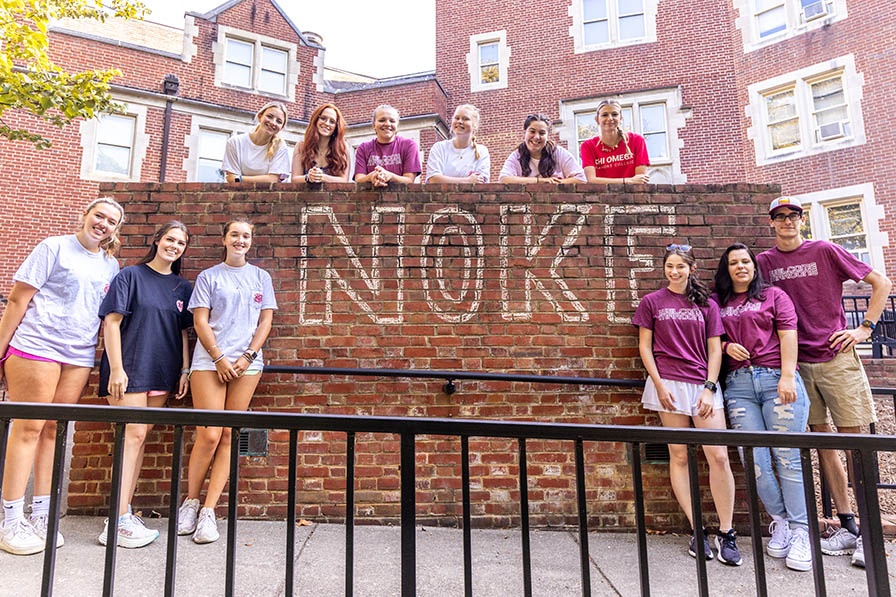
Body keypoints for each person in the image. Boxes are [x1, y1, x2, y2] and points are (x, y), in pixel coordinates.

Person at [757, 196, 893, 568]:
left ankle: (870, 533)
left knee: (855, 443)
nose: (787, 221)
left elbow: (881, 282)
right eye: (779, 216)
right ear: (771, 223)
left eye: (793, 215)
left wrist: (864, 328)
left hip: (836, 358)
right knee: (823, 444)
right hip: (797, 366)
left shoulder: (825, 250)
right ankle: (848, 525)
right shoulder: (764, 263)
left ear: (802, 219)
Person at [0, 197, 124, 555]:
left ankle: (41, 514)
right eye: (98, 215)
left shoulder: (110, 265)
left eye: (111, 221)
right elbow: (17, 300)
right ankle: (10, 519)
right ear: (84, 215)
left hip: (78, 355)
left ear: (115, 229)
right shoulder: (53, 247)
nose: (102, 223)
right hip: (36, 346)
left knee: (53, 430)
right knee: (29, 428)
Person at [632, 244, 741, 566]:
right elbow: (644, 346)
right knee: (679, 455)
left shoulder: (706, 304)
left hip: (702, 387)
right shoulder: (651, 302)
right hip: (667, 386)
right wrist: (659, 384)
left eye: (680, 266)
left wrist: (709, 388)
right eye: (669, 266)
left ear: (691, 269)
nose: (674, 271)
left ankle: (727, 532)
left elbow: (716, 350)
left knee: (718, 456)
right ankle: (697, 530)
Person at [712, 243, 812, 571]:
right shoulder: (718, 302)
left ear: (754, 266)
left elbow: (788, 336)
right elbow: (709, 339)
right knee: (754, 461)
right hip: (739, 387)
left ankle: (801, 532)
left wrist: (787, 376)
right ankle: (780, 522)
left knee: (787, 458)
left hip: (775, 382)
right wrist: (727, 346)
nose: (740, 267)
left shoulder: (774, 296)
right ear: (726, 270)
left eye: (745, 261)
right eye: (734, 263)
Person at [177, 220, 277, 544]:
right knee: (208, 434)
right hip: (210, 362)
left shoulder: (261, 277)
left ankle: (209, 511)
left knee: (230, 436)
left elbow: (266, 321)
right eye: (234, 234)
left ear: (251, 241)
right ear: (224, 239)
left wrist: (248, 356)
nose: (240, 240)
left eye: (246, 235)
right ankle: (190, 503)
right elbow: (199, 320)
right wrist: (219, 357)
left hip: (247, 364)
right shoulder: (209, 276)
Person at [96, 221, 193, 549]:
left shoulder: (182, 287)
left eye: (180, 243)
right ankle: (115, 520)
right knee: (131, 437)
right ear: (157, 241)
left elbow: (181, 332)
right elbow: (112, 322)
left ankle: (125, 512)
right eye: (170, 239)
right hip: (130, 369)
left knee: (139, 440)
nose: (174, 246)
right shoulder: (130, 276)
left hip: (162, 372)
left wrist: (185, 369)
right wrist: (117, 370)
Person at [498, 114, 586, 184]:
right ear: (524, 132)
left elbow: (581, 179)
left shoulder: (559, 153)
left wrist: (554, 183)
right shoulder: (517, 155)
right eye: (532, 131)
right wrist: (539, 181)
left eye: (542, 133)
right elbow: (504, 179)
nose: (536, 137)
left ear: (548, 135)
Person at [580, 99, 650, 184]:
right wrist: (627, 180)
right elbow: (592, 180)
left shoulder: (637, 141)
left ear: (620, 118)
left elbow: (640, 180)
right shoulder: (588, 146)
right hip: (601, 196)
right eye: (604, 115)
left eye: (614, 114)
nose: (610, 118)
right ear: (597, 119)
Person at [222, 101, 291, 183]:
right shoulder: (235, 142)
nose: (273, 122)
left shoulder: (281, 147)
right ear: (260, 116)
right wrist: (265, 179)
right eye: (269, 116)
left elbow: (273, 180)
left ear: (281, 127)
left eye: (279, 121)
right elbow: (231, 178)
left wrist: (240, 179)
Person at [354, 104, 421, 186]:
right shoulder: (363, 148)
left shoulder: (409, 145)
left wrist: (390, 176)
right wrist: (371, 176)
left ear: (397, 125)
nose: (387, 124)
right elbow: (359, 179)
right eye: (382, 120)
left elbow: (409, 180)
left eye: (392, 121)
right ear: (374, 125)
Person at [425, 104, 490, 183]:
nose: (459, 121)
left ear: (474, 125)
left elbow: (480, 182)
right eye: (457, 118)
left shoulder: (482, 151)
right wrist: (468, 181)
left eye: (465, 119)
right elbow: (433, 179)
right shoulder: (439, 148)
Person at [290, 103, 351, 184]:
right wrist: (309, 177)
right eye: (323, 118)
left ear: (336, 127)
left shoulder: (342, 148)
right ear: (316, 120)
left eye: (332, 121)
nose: (327, 123)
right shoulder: (301, 146)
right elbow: (294, 179)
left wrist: (321, 177)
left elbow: (344, 180)